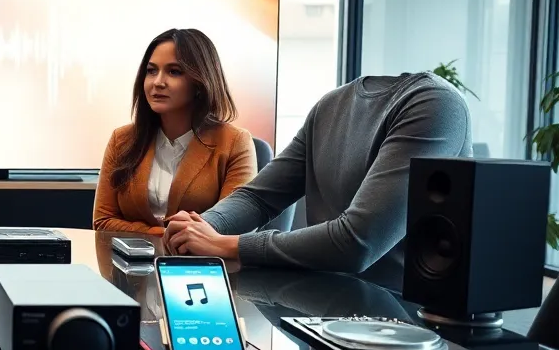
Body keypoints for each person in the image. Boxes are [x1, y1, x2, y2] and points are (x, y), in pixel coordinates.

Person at [164, 72, 471, 274]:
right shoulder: (330, 105)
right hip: (326, 308)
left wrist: (226, 244)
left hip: (404, 323)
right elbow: (258, 198)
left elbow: (357, 243)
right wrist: (198, 229)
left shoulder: (436, 105)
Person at [93, 28, 256, 237]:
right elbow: (103, 221)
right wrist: (158, 234)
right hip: (132, 264)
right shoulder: (122, 139)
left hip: (200, 265)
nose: (157, 82)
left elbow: (235, 224)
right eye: (151, 71)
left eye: (174, 72)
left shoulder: (235, 142)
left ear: (200, 82)